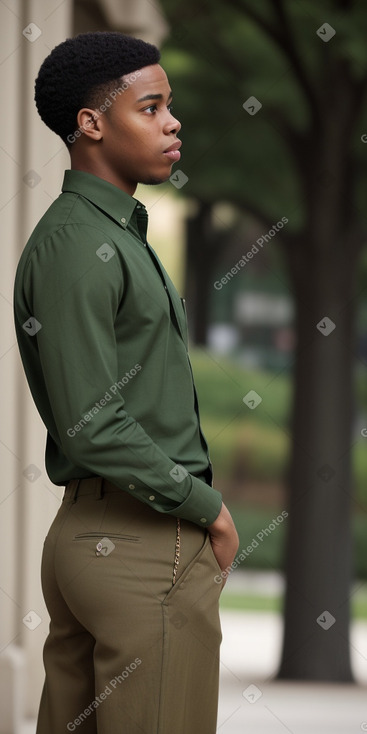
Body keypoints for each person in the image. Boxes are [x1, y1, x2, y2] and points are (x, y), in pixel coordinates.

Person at [13, 31, 239, 734]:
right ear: (91, 123)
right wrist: (206, 507)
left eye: (168, 106)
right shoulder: (82, 243)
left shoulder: (107, 234)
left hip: (103, 534)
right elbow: (92, 420)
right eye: (150, 107)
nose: (172, 122)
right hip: (145, 545)